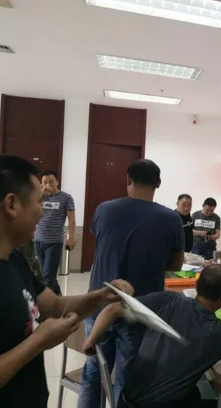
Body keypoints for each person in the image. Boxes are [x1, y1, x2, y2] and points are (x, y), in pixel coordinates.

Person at [0, 154, 133, 408]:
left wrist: (101, 296)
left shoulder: (14, 260)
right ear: (12, 204)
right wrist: (38, 341)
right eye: (39, 202)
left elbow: (54, 305)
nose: (42, 211)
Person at [81, 264, 221, 408]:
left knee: (198, 389)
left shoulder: (168, 299)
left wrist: (91, 341)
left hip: (127, 399)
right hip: (164, 405)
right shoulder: (219, 333)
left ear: (197, 284)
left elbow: (112, 309)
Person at [78, 159, 185, 408]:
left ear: (128, 179)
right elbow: (177, 264)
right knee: (127, 382)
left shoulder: (104, 209)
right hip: (140, 310)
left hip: (99, 305)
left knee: (93, 375)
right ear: (158, 183)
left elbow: (103, 246)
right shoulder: (171, 219)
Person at [33, 169, 76, 296]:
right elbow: (31, 208)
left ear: (57, 182)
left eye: (51, 182)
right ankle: (57, 293)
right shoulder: (39, 196)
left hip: (54, 241)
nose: (48, 185)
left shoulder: (66, 198)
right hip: (38, 239)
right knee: (45, 273)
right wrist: (41, 193)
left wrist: (71, 238)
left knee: (48, 275)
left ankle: (48, 303)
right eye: (45, 182)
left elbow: (72, 219)